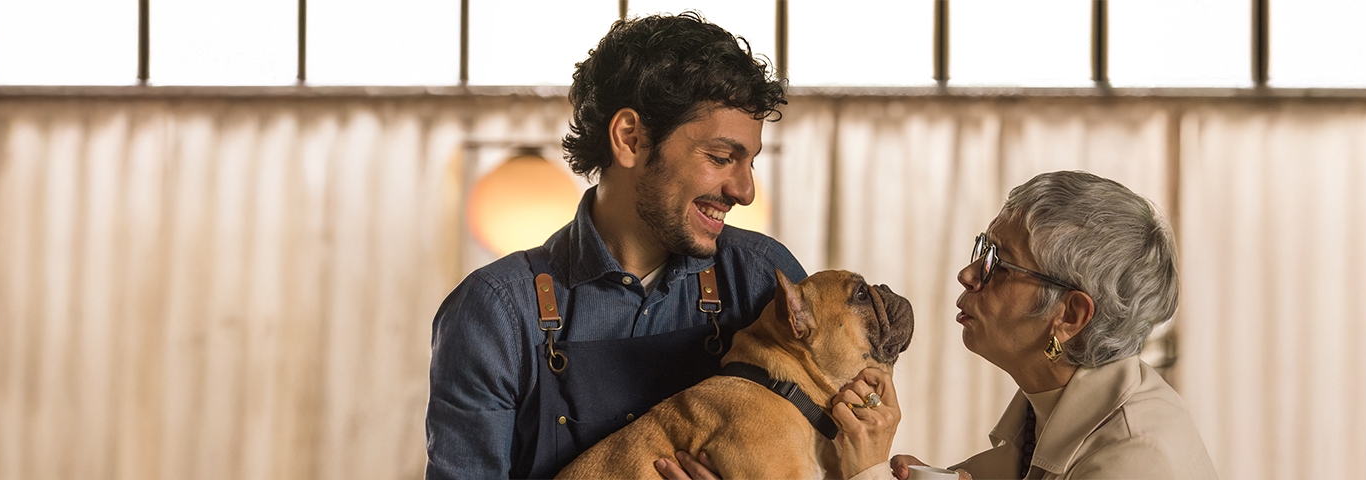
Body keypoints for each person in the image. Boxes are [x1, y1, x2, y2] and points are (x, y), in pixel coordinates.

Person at [426, 13, 805, 479]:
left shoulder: (760, 279)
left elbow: (830, 451)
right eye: (722, 158)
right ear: (630, 138)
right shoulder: (496, 313)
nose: (745, 191)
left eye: (749, 163)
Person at [660, 171, 1217, 480]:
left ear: (1068, 316)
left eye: (999, 261)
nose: (968, 272)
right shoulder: (1040, 417)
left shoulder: (1139, 459)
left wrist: (871, 475)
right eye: (982, 248)